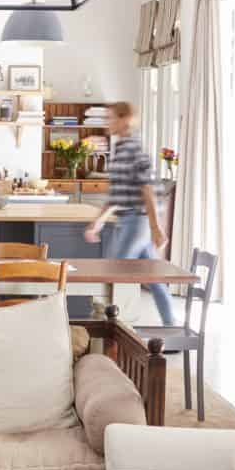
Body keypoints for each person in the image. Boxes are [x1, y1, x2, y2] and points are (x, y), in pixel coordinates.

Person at [85, 102, 177, 326]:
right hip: (131, 220)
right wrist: (97, 222)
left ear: (125, 119)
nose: (107, 122)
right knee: (153, 277)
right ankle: (171, 325)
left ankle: (113, 329)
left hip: (138, 220)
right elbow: (117, 194)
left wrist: (156, 228)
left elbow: (146, 189)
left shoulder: (133, 148)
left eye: (111, 117)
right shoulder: (120, 148)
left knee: (114, 272)